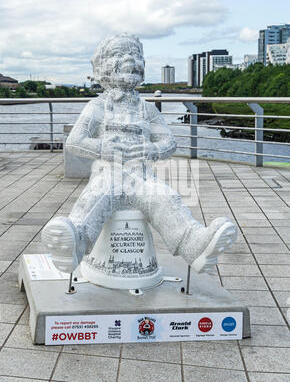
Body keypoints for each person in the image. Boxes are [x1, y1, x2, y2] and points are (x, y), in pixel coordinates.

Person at [42, 34, 237, 277]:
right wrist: (102, 148)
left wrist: (151, 149)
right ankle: (75, 244)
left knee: (167, 198)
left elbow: (169, 141)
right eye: (119, 54)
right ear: (103, 66)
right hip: (109, 173)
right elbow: (75, 141)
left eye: (135, 55)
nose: (129, 60)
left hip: (141, 176)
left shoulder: (147, 109)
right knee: (94, 198)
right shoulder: (98, 106)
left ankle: (195, 246)